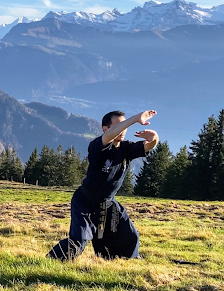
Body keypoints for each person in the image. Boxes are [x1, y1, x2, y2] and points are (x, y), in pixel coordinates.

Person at [48, 110, 159, 261]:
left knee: (130, 236)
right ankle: (51, 261)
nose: (123, 129)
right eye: (119, 125)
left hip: (108, 203)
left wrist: (154, 137)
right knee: (78, 242)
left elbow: (149, 146)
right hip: (85, 202)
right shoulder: (98, 147)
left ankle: (121, 261)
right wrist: (134, 119)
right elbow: (110, 135)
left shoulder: (126, 149)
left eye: (124, 126)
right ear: (106, 129)